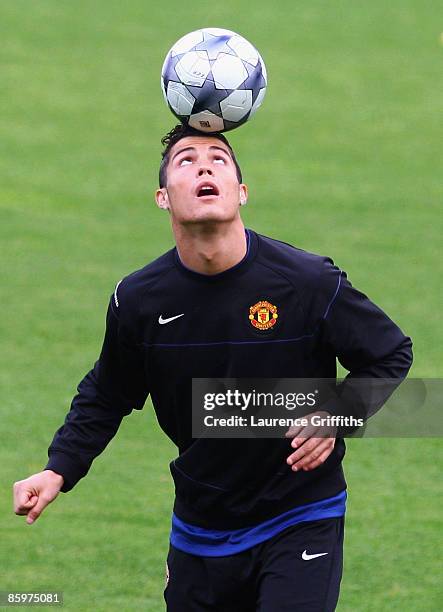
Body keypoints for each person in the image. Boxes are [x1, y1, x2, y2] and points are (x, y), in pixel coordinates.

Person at [13, 124, 413, 611]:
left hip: (301, 514)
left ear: (241, 192)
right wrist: (58, 470)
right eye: (186, 160)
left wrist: (337, 413)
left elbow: (389, 352)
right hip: (201, 526)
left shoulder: (307, 282)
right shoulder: (139, 301)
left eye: (218, 159)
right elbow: (108, 392)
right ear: (162, 198)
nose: (204, 165)